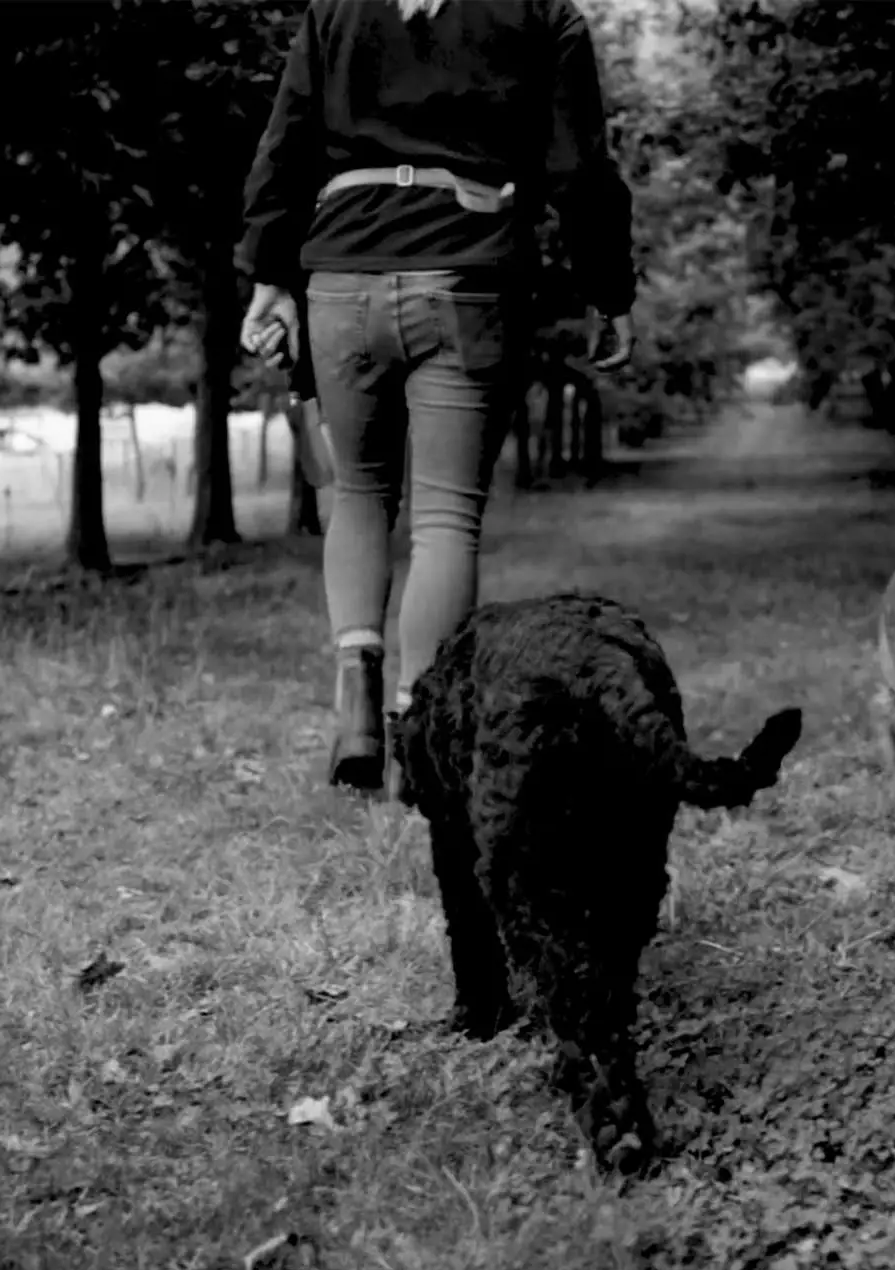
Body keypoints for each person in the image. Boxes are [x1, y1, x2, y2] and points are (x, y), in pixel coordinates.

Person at [236, 0, 637, 795]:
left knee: (357, 493)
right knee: (447, 516)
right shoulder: (542, 13)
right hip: (466, 274)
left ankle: (356, 699)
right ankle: (422, 732)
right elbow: (578, 165)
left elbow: (285, 142)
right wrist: (608, 286)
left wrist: (269, 276)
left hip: (341, 278)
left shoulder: (334, 11)